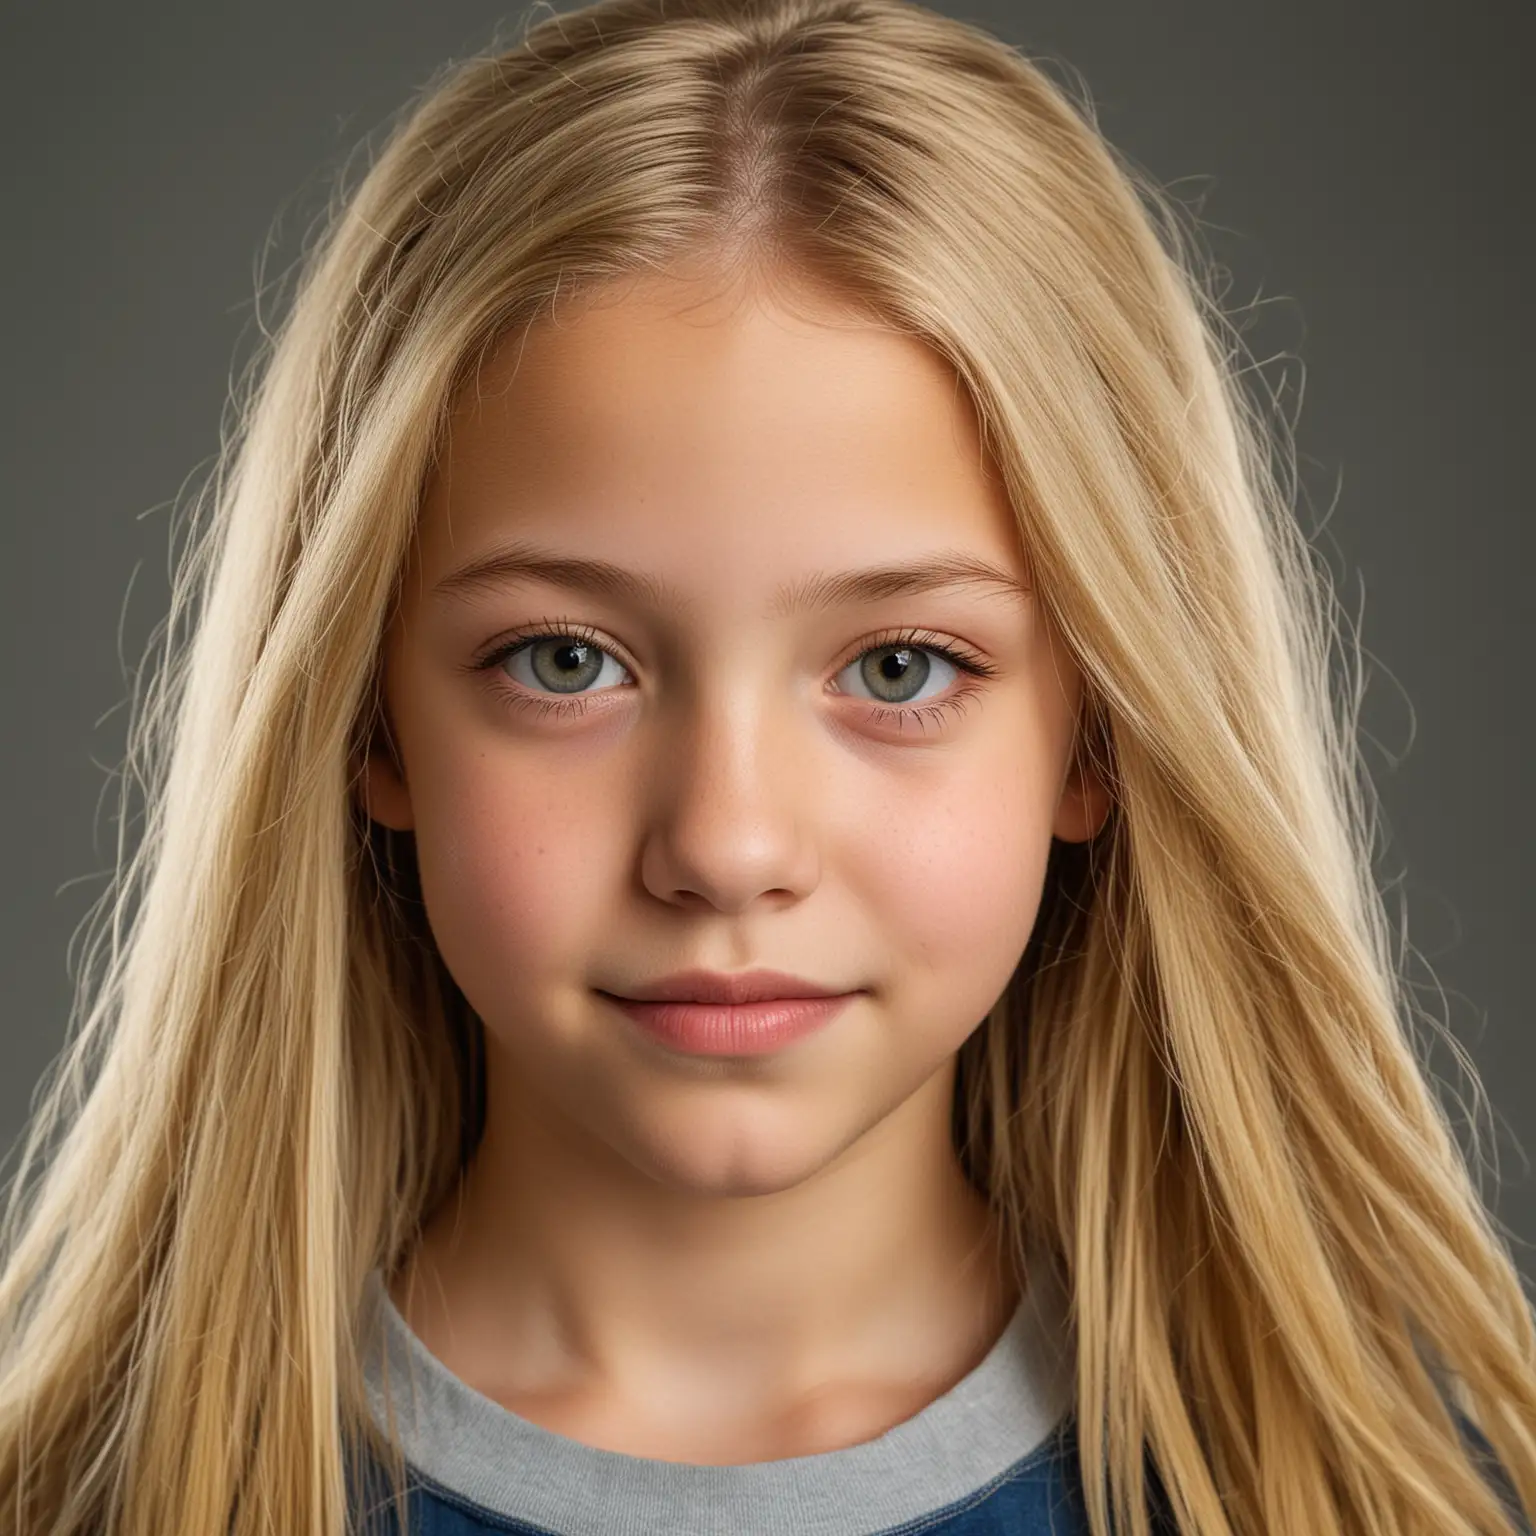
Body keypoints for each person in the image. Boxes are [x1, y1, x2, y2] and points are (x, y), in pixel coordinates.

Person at [0, 0, 1531, 1531]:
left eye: (899, 668)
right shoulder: (86, 1498)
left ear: (1101, 734)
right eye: (566, 661)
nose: (727, 847)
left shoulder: (1393, 1498)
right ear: (370, 721)